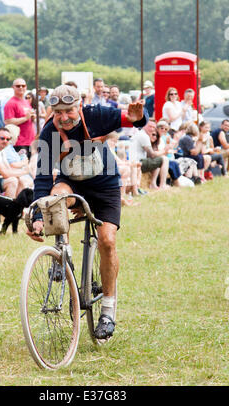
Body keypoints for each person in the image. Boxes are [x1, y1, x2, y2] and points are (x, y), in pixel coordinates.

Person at [27, 84, 147, 340]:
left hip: (105, 186)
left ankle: (108, 311)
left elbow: (132, 119)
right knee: (56, 196)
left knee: (107, 241)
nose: (64, 117)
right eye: (58, 112)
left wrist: (140, 117)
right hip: (73, 184)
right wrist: (38, 217)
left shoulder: (95, 115)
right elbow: (43, 178)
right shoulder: (49, 133)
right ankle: (62, 257)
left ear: (78, 107)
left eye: (69, 110)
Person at [4, 78, 36, 158]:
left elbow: (28, 117)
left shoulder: (26, 102)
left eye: (23, 85)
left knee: (30, 167)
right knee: (21, 166)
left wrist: (32, 118)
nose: (21, 87)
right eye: (18, 86)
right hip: (19, 143)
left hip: (30, 141)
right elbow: (8, 121)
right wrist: (25, 118)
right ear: (13, 87)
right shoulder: (11, 103)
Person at [135, 119, 170, 190]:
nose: (152, 129)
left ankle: (153, 184)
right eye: (149, 126)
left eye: (153, 127)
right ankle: (162, 185)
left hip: (140, 161)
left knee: (158, 159)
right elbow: (152, 154)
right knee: (164, 159)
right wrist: (164, 151)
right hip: (138, 163)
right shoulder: (143, 136)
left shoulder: (145, 135)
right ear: (144, 126)